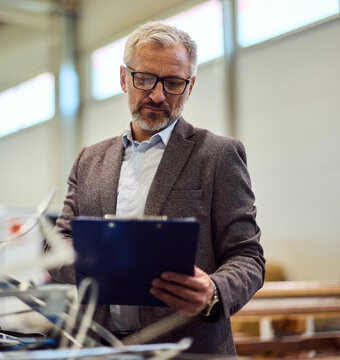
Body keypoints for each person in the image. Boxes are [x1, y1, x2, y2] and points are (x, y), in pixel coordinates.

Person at [47, 21, 265, 355]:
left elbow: (247, 256)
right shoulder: (89, 161)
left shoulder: (217, 155)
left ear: (190, 87)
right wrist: (99, 265)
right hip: (98, 347)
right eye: (145, 78)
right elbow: (57, 246)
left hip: (188, 347)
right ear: (124, 78)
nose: (158, 94)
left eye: (174, 82)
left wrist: (213, 291)